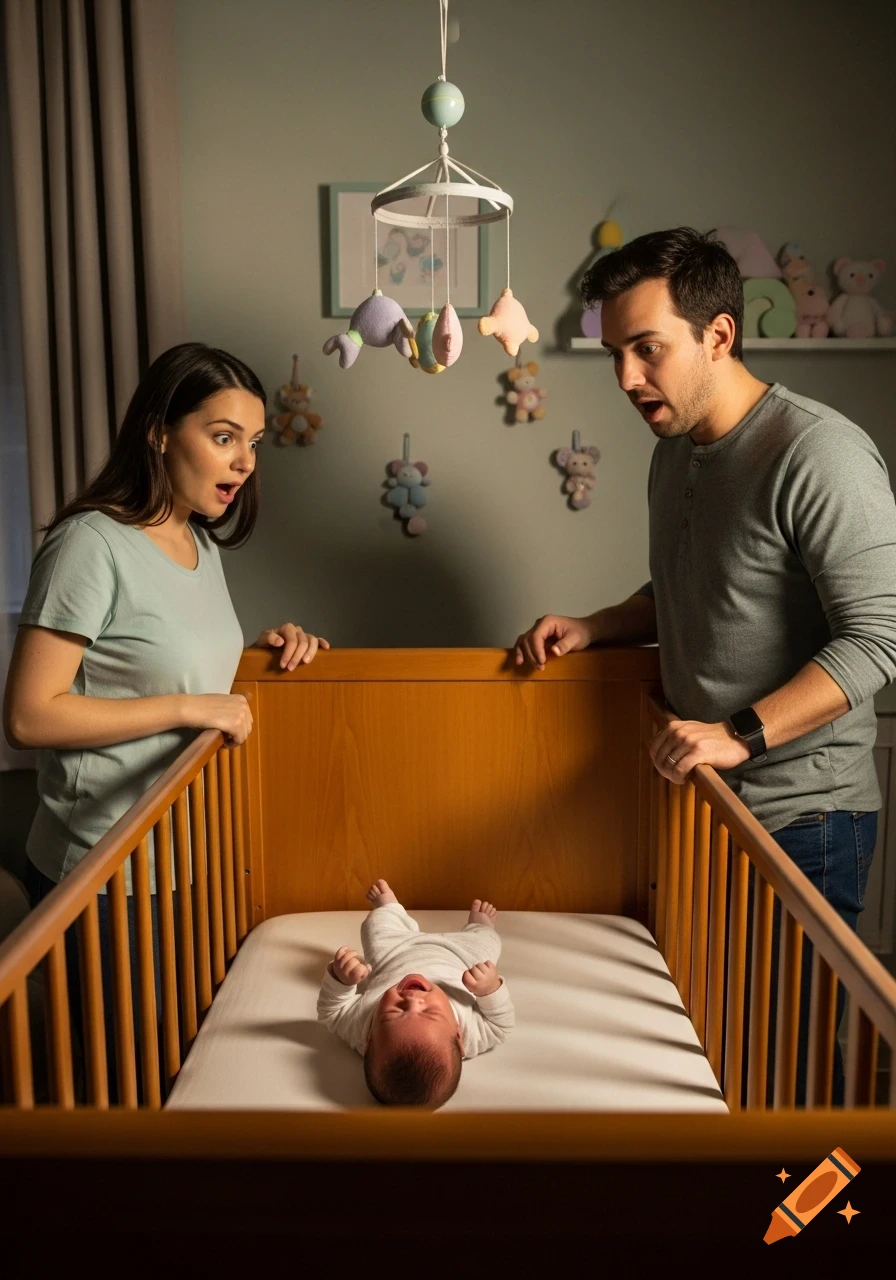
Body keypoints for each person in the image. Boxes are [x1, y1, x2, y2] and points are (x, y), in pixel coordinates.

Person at [515, 228, 896, 1104]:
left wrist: (739, 733)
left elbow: (878, 638)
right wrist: (594, 624)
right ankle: (739, 1234)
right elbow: (695, 583)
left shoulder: (817, 453)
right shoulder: (677, 452)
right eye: (616, 352)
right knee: (720, 1057)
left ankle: (813, 1236)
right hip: (716, 801)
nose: (626, 378)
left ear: (718, 336)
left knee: (790, 1074)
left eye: (647, 350)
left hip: (804, 819)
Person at [3, 342, 329, 1095]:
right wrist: (190, 706)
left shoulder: (195, 541)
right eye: (222, 437)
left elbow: (159, 657)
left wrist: (262, 652)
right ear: (157, 431)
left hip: (180, 857)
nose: (244, 462)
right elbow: (28, 714)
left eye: (252, 443)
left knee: (176, 1067)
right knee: (124, 1085)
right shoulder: (88, 544)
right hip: (101, 866)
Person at [317, 878, 514, 1107]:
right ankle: (479, 926)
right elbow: (501, 1025)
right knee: (489, 945)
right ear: (459, 1038)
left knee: (375, 929)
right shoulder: (473, 1034)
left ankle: (389, 907)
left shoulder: (362, 1027)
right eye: (430, 1013)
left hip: (395, 951)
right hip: (462, 956)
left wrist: (341, 979)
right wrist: (489, 989)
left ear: (369, 1041)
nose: (412, 1000)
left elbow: (331, 1012)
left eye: (395, 1011)